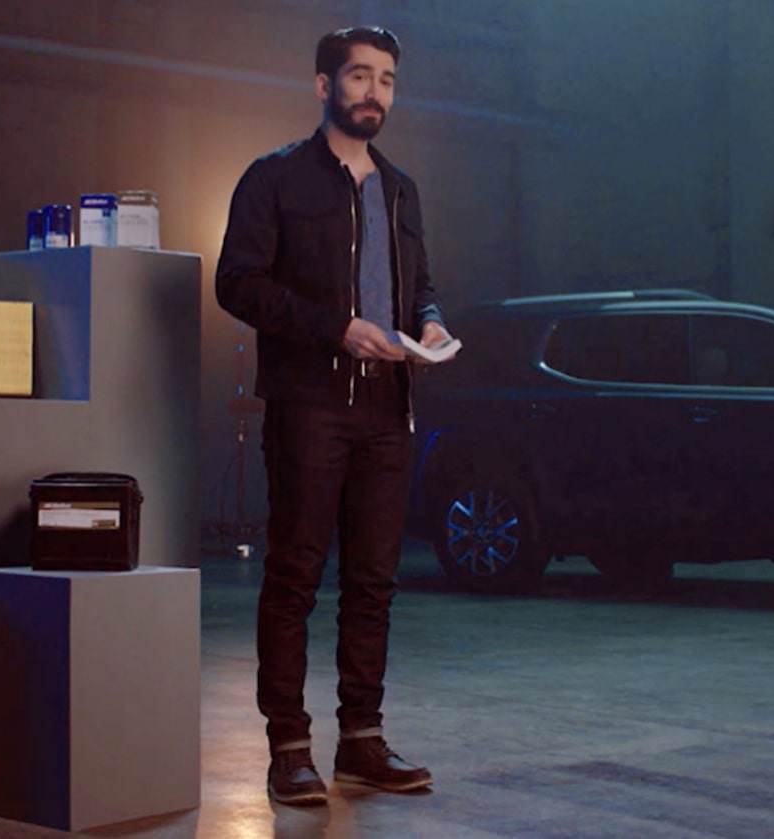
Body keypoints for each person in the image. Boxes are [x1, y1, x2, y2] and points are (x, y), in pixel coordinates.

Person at [215, 25, 455, 807]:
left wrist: (429, 323)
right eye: (359, 77)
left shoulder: (401, 188)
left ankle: (361, 741)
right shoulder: (274, 178)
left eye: (386, 79)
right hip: (310, 406)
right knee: (293, 577)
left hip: (390, 408)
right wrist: (334, 328)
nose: (374, 92)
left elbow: (418, 284)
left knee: (373, 582)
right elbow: (237, 283)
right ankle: (289, 748)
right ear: (325, 86)